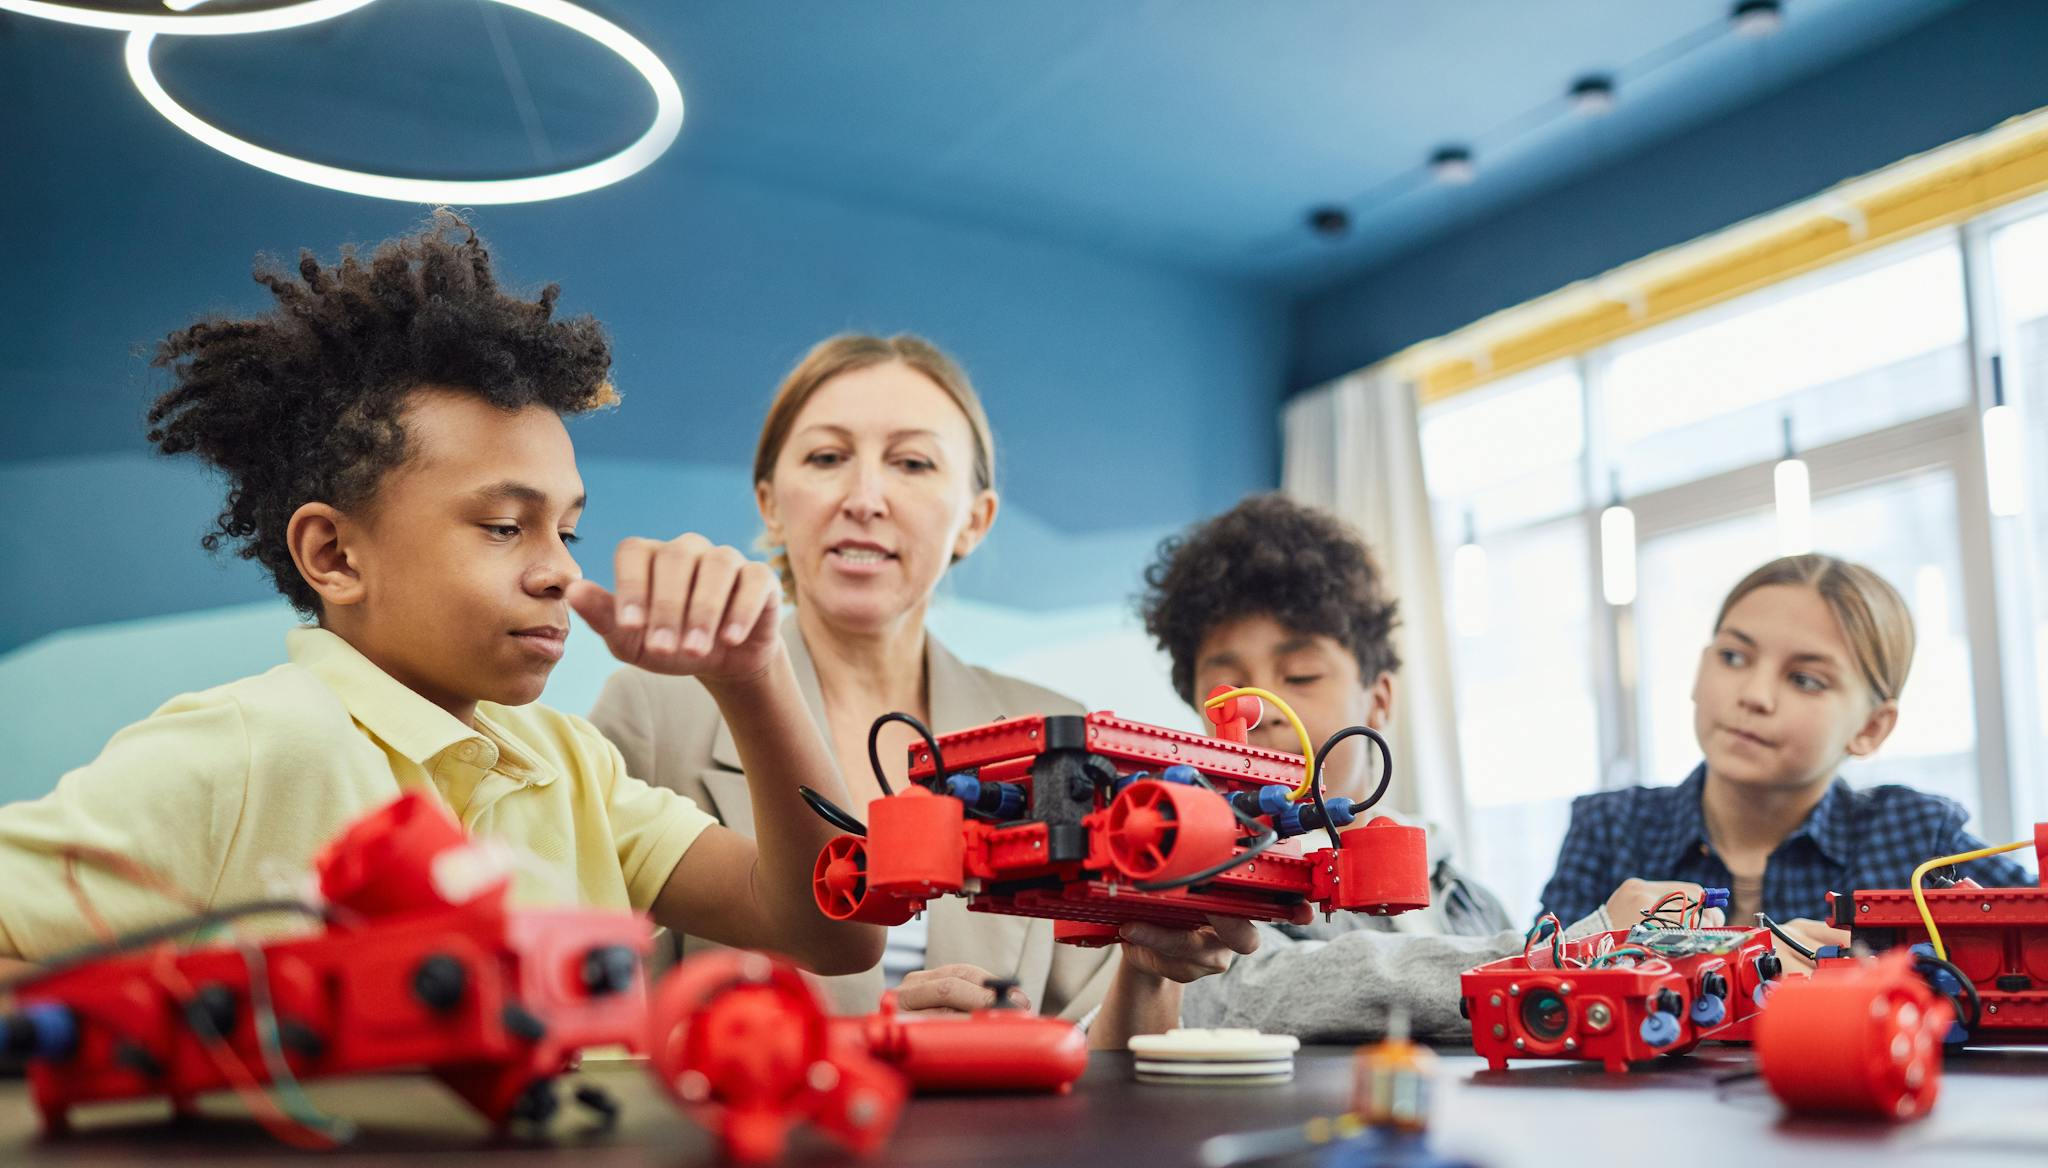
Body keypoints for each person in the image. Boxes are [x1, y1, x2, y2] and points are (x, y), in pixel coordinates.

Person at [0, 215, 878, 984]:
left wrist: (754, 676)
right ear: (334, 553)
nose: (559, 574)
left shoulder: (570, 765)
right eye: (504, 526)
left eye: (566, 532)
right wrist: (231, 1020)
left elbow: (833, 932)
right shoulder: (246, 747)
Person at [590, 334, 1254, 1043]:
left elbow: (1100, 1057)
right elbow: (596, 1026)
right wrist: (857, 1045)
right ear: (771, 504)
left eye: (912, 462)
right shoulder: (653, 714)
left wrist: (1148, 966)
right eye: (826, 458)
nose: (864, 497)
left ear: (975, 519)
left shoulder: (1060, 732)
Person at [1139, 494, 1547, 1043]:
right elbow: (1249, 989)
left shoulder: (1466, 896)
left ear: (1378, 699)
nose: (1260, 710)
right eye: (1226, 691)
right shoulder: (1206, 887)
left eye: (1302, 676)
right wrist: (1549, 963)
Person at [1541, 553, 2035, 954]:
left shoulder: (1920, 839)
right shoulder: (1608, 828)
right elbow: (1519, 986)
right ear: (1698, 672)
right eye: (1733, 657)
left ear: (1870, 727)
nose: (1754, 695)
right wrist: (1604, 937)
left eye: (1804, 679)